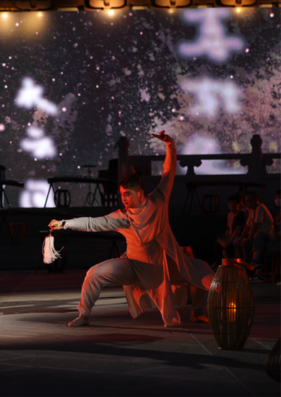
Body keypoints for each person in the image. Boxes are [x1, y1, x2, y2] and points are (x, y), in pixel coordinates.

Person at [49, 131, 214, 327]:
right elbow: (93, 223)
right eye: (122, 195)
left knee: (201, 268)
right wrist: (64, 223)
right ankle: (83, 315)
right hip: (133, 266)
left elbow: (168, 172)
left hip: (161, 267)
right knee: (94, 273)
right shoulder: (122, 217)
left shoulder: (158, 201)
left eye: (127, 194)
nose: (124, 199)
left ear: (140, 194)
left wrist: (170, 145)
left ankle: (197, 312)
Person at [236, 191, 274, 282]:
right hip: (258, 237)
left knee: (258, 238)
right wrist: (241, 239)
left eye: (250, 200)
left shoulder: (260, 207)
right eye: (247, 201)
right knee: (242, 244)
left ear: (256, 199)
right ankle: (245, 271)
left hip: (267, 235)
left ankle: (255, 262)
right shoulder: (251, 211)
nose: (248, 203)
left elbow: (256, 225)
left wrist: (249, 239)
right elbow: (247, 227)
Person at [213, 194, 246, 269]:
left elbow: (238, 229)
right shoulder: (229, 215)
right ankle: (218, 265)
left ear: (238, 204)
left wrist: (230, 240)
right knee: (218, 245)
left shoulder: (241, 214)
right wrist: (225, 237)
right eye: (230, 203)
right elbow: (228, 228)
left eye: (234, 203)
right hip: (230, 236)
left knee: (230, 246)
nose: (232, 205)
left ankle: (232, 266)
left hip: (237, 237)